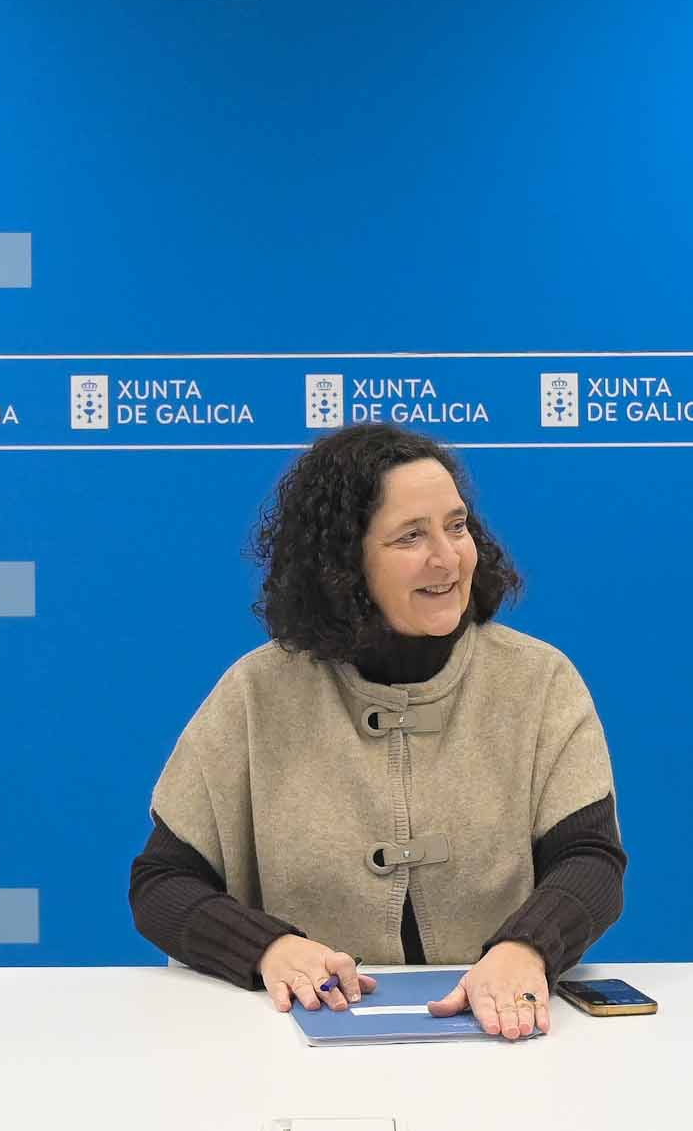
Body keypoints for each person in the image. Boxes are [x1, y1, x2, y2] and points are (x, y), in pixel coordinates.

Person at [129, 424, 624, 1041]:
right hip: (293, 1042)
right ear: (344, 563)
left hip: (500, 1034)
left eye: (457, 526)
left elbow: (590, 860)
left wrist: (526, 949)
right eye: (410, 536)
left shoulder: (540, 680)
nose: (447, 558)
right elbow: (162, 884)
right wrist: (270, 949)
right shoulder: (256, 692)